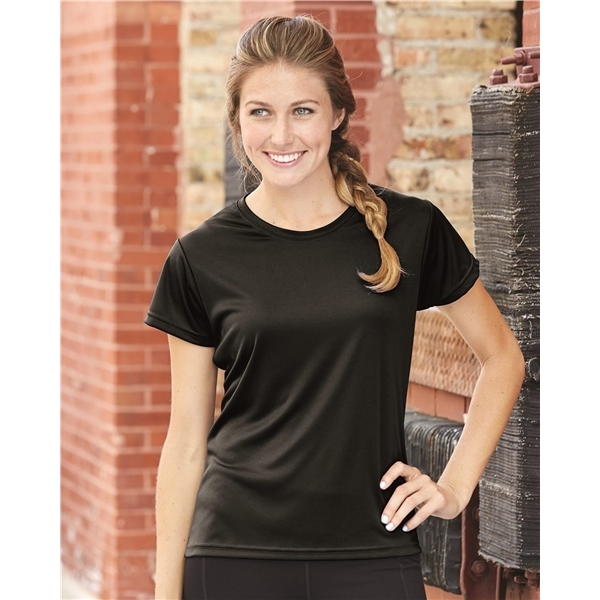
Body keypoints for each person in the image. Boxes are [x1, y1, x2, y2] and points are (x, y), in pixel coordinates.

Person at [144, 15, 525, 600]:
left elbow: (502, 358)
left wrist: (453, 488)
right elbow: (187, 441)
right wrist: (166, 593)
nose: (281, 136)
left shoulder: (410, 228)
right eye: (260, 112)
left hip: (374, 550)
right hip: (233, 552)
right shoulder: (200, 257)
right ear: (236, 120)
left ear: (338, 113)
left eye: (303, 110)